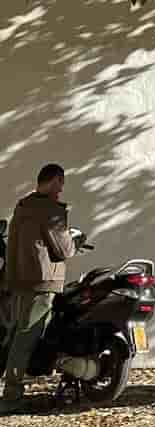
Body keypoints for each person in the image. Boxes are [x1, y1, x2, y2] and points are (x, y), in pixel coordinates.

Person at [2, 164, 76, 412]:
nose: (62, 189)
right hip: (42, 281)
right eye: (61, 183)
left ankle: (11, 389)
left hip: (19, 280)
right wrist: (77, 241)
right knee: (27, 336)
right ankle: (11, 397)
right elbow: (64, 249)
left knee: (14, 335)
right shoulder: (50, 210)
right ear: (55, 180)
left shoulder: (23, 206)